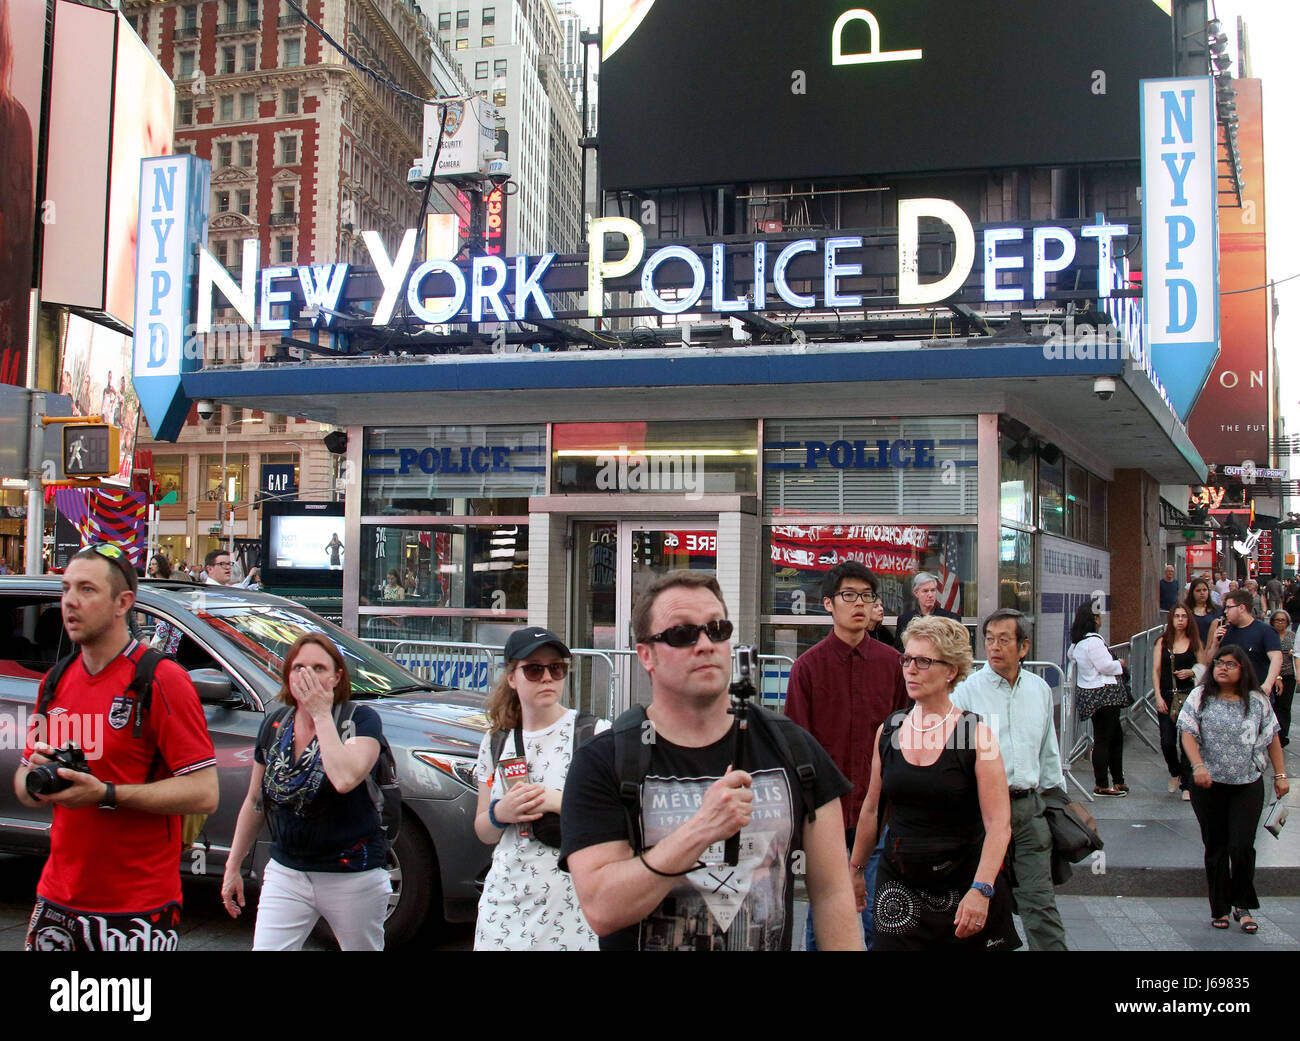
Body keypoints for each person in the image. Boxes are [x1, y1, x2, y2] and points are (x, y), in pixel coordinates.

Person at [560, 570, 861, 950]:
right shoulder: (605, 760)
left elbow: (833, 894)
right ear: (646, 655)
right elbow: (603, 909)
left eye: (717, 629)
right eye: (682, 634)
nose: (704, 644)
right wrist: (701, 829)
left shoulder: (792, 747)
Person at [14, 544, 218, 951]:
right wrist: (37, 782)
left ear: (123, 602)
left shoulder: (160, 679)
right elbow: (23, 783)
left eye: (87, 590)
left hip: (136, 905)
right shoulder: (55, 681)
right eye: (66, 588)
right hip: (57, 896)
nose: (70, 601)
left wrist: (106, 793)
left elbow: (205, 792)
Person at [850, 616, 1019, 950]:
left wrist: (982, 889)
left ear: (951, 671)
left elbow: (999, 825)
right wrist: (854, 869)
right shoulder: (890, 731)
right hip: (899, 888)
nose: (910, 669)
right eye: (907, 659)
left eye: (924, 661)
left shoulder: (975, 735)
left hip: (964, 886)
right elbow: (872, 810)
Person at [221, 634, 392, 950]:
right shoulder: (276, 724)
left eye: (318, 667)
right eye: (299, 667)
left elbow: (344, 779)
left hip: (351, 873)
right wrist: (233, 867)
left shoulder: (359, 720)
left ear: (336, 676)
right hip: (288, 870)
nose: (307, 676)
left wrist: (321, 715)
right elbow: (256, 801)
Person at [784, 561, 907, 950]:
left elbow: (904, 735)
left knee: (874, 913)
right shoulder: (808, 668)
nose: (860, 604)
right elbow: (797, 745)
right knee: (827, 912)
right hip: (827, 814)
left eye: (867, 596)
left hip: (881, 810)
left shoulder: (892, 664)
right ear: (827, 604)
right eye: (849, 596)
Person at [473, 627, 608, 950]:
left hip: (572, 907)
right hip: (504, 907)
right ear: (511, 677)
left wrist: (555, 801)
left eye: (556, 668)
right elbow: (483, 831)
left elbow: (616, 818)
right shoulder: (496, 741)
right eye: (534, 669)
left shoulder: (593, 734)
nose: (547, 677)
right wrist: (500, 813)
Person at [952, 608, 1067, 951]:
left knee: (1039, 901)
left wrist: (1056, 798)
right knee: (978, 900)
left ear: (1024, 647)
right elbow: (953, 755)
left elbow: (1049, 751)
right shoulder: (966, 692)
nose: (994, 646)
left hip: (1028, 808)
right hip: (981, 812)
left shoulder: (1039, 690)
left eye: (1004, 640)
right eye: (989, 639)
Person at [1179, 644, 1288, 933]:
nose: (1222, 668)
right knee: (1216, 847)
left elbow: (1272, 738)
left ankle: (1244, 905)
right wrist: (1198, 766)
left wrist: (1280, 775)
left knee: (1241, 846)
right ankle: (1221, 908)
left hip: (1247, 783)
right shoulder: (1200, 696)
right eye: (1218, 663)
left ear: (1243, 669)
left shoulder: (1257, 700)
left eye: (1230, 664)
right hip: (1208, 784)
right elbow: (1187, 733)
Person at [1069, 602, 1129, 797]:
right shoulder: (1094, 641)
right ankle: (1102, 784)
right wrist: (1119, 663)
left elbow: (1075, 657)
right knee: (1105, 739)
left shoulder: (1077, 644)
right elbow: (1104, 665)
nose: (1102, 619)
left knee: (1113, 737)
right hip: (1105, 695)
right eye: (1099, 616)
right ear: (1094, 619)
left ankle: (1118, 780)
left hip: (1090, 694)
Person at [1152, 604, 1203, 802]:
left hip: (1189, 696)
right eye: (1177, 616)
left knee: (1187, 740)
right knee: (1167, 741)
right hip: (1167, 695)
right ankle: (1175, 771)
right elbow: (1156, 671)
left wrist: (1191, 672)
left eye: (1184, 616)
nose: (1180, 620)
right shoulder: (1162, 642)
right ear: (1171, 620)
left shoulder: (1194, 642)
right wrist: (1157, 695)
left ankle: (1187, 784)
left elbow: (1204, 667)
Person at [1205, 588, 1282, 702]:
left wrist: (1268, 684)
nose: (1225, 611)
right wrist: (1215, 644)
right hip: (1228, 695)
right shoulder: (1225, 631)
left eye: (1229, 607)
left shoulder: (1265, 631)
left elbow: (1277, 658)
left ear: (1242, 608)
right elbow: (1209, 662)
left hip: (1255, 694)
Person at [896, 571, 961, 637]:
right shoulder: (904, 620)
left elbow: (960, 645)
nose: (930, 595)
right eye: (925, 591)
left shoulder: (951, 619)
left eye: (933, 590)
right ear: (916, 593)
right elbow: (899, 646)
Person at [1269, 610, 1293, 748]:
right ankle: (1272, 733)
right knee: (1272, 704)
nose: (1279, 623)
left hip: (1288, 674)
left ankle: (1282, 735)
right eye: (1277, 620)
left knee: (1284, 706)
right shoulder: (1269, 635)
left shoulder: (1292, 636)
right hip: (1272, 674)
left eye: (1282, 620)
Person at [1185, 577, 1221, 644]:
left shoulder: (1218, 609)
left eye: (1204, 590)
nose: (1202, 593)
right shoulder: (1185, 610)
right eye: (1198, 590)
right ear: (1192, 592)